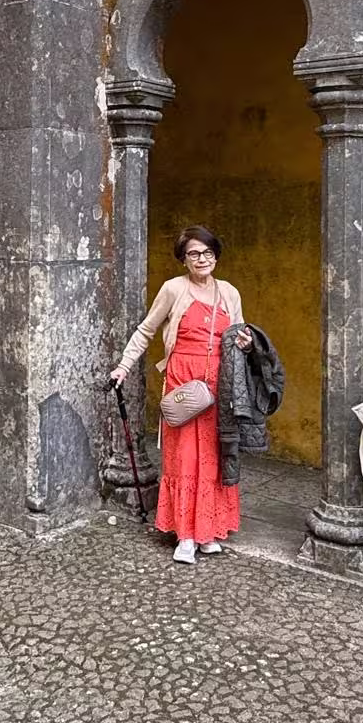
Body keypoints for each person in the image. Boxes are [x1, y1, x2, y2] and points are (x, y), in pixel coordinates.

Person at [110, 225, 253, 565]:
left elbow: (238, 333)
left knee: (215, 457)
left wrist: (245, 343)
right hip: (182, 383)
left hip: (219, 385)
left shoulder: (229, 292)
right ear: (183, 259)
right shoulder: (174, 289)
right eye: (193, 254)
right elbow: (146, 331)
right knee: (185, 456)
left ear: (215, 256)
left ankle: (208, 532)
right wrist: (123, 366)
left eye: (207, 253)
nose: (201, 259)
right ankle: (185, 536)